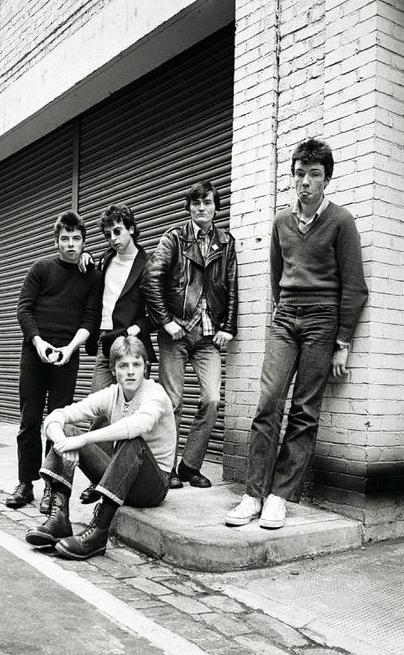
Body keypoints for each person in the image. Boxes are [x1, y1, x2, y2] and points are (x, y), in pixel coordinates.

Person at [225, 138, 368, 530]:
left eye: (314, 174)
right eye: (300, 173)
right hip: (286, 318)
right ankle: (253, 494)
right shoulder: (280, 222)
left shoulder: (341, 221)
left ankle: (279, 497)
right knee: (268, 402)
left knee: (305, 410)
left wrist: (343, 341)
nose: (305, 181)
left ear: (326, 180)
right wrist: (282, 310)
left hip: (323, 321)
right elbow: (277, 276)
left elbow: (355, 287)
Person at [24, 336, 176, 560]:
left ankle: (98, 533)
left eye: (136, 364)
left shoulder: (155, 394)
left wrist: (84, 440)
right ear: (114, 370)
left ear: (146, 367)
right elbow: (57, 416)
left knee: (131, 440)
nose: (131, 371)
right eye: (123, 366)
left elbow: (138, 425)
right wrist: (63, 442)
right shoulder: (111, 394)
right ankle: (59, 519)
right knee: (69, 431)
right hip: (122, 477)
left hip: (152, 486)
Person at [141, 180, 238, 489]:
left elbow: (232, 286)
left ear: (215, 207)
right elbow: (151, 280)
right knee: (172, 400)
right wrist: (166, 321)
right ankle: (165, 466)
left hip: (208, 335)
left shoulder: (226, 242)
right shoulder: (174, 238)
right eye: (196, 203)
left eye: (207, 202)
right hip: (177, 333)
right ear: (189, 207)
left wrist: (228, 327)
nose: (201, 208)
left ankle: (189, 465)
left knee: (211, 399)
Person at [6, 211, 101, 513]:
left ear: (84, 241)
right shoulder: (41, 268)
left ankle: (51, 486)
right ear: (56, 241)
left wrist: (71, 348)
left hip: (67, 356)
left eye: (76, 239)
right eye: (65, 239)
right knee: (30, 420)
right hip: (35, 355)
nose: (70, 244)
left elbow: (90, 318)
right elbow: (23, 309)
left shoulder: (91, 276)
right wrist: (38, 342)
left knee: (57, 424)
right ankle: (25, 483)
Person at [79, 204, 156, 505]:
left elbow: (158, 310)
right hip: (103, 343)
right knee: (100, 412)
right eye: (108, 233)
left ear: (131, 228)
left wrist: (135, 330)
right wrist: (85, 256)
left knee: (130, 415)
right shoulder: (104, 261)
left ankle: (122, 480)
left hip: (130, 347)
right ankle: (98, 479)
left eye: (117, 231)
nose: (112, 238)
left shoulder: (148, 263)